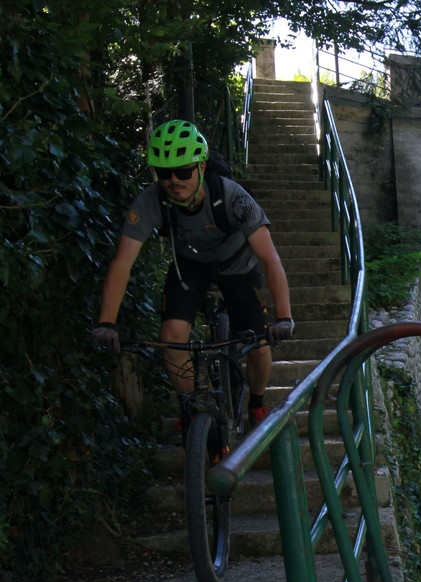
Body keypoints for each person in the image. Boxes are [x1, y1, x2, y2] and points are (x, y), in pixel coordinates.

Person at [93, 119, 294, 429]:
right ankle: (191, 410)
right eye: (164, 173)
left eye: (183, 171)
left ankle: (256, 402)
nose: (174, 180)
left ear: (201, 167)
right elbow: (123, 262)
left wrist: (283, 317)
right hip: (189, 263)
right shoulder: (151, 201)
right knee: (171, 338)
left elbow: (269, 259)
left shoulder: (234, 198)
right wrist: (106, 323)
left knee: (258, 343)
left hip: (236, 262)